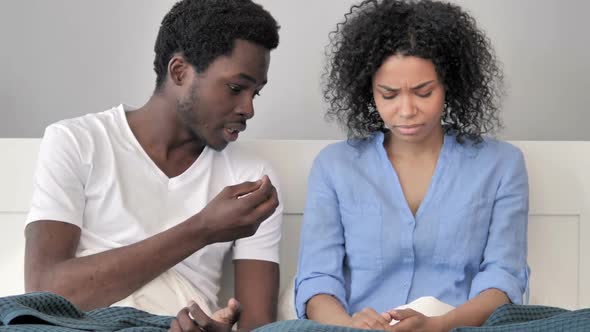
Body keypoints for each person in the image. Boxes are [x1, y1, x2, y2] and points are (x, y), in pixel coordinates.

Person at [23, 1, 282, 331]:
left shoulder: (253, 177)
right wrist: (203, 229)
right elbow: (44, 290)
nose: (248, 108)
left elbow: (258, 325)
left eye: (255, 93)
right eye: (235, 88)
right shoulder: (78, 141)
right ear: (179, 72)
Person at [295, 0, 529, 331]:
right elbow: (317, 279)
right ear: (368, 90)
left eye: (423, 92)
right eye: (388, 95)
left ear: (449, 84)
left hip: (456, 327)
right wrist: (348, 325)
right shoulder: (335, 167)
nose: (406, 110)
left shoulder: (501, 165)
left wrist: (440, 325)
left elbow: (504, 277)